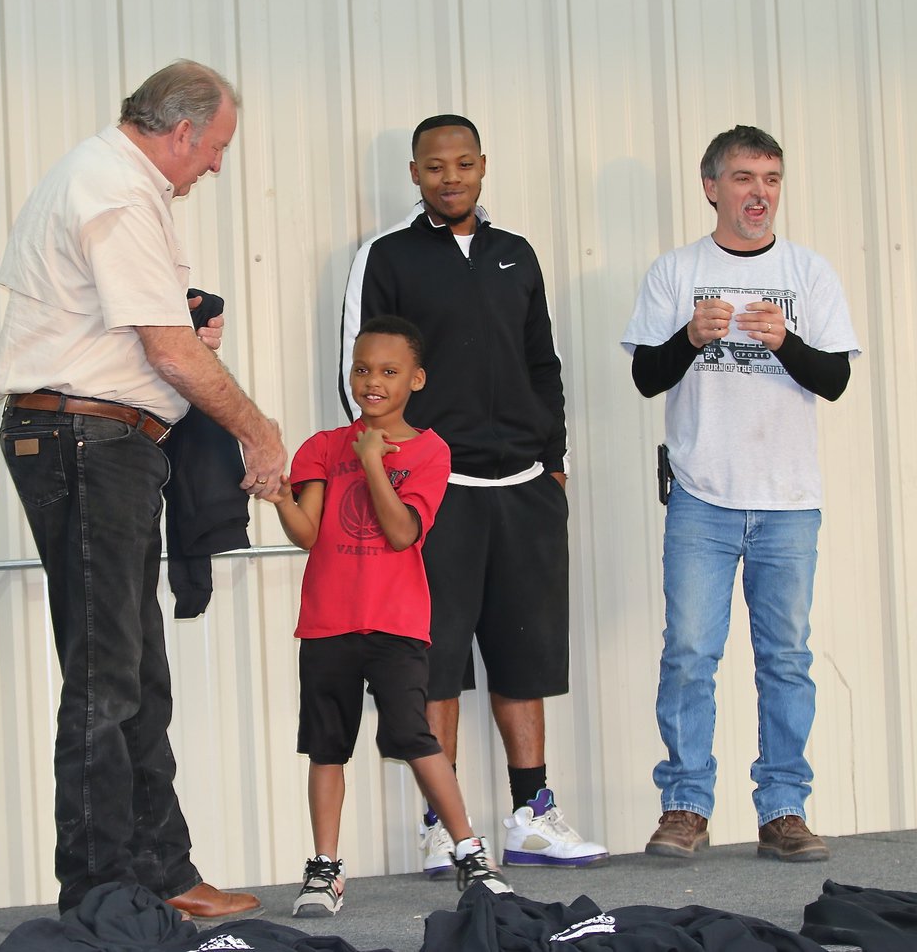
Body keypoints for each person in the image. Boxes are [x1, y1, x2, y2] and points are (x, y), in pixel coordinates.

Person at [0, 60, 286, 918]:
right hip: (87, 439)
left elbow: (141, 329)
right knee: (107, 676)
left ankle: (161, 874)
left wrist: (181, 317)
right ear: (183, 130)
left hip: (99, 437)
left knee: (136, 671)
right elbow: (166, 351)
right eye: (218, 147)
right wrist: (257, 431)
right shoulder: (117, 192)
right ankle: (98, 892)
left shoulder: (116, 185)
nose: (218, 166)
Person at [341, 115, 607, 874]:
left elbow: (543, 363)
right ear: (416, 175)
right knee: (438, 661)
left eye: (462, 163)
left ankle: (532, 816)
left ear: (483, 167)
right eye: (434, 166)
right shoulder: (387, 258)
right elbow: (361, 375)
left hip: (523, 487)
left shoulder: (515, 255)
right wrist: (395, 472)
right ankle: (443, 826)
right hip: (438, 492)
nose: (449, 177)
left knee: (525, 656)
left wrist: (552, 460)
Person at [622, 125, 859, 862]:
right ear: (711, 186)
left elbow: (837, 380)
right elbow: (645, 378)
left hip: (789, 500)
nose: (760, 193)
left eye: (772, 178)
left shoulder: (811, 272)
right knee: (690, 653)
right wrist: (690, 337)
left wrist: (786, 341)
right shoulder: (675, 271)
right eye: (745, 177)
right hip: (702, 497)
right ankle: (685, 805)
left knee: (785, 656)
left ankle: (783, 808)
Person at [263, 316, 510, 917]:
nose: (372, 382)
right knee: (327, 746)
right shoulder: (322, 445)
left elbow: (403, 533)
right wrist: (277, 498)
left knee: (414, 735)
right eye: (362, 370)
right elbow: (308, 533)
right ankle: (324, 870)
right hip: (327, 623)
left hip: (396, 623)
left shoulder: (430, 450)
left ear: (416, 379)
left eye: (388, 372)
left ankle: (471, 854)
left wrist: (372, 460)